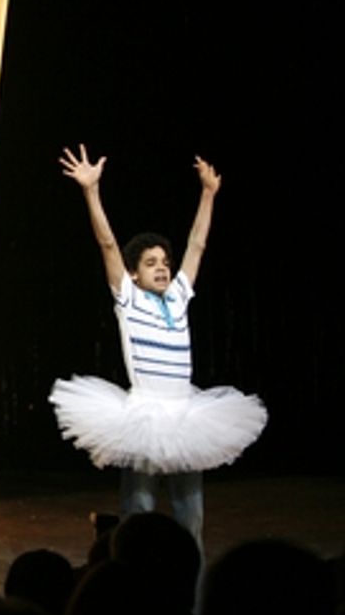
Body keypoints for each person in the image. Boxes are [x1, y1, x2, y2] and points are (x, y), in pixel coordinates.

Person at [49, 146, 267, 547]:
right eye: (150, 262)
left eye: (164, 261)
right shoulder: (129, 299)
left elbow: (197, 245)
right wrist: (91, 193)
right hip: (145, 415)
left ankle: (193, 597)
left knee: (191, 518)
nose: (162, 266)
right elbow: (108, 246)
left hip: (186, 414)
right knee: (138, 514)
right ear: (134, 274)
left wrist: (208, 194)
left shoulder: (179, 296)